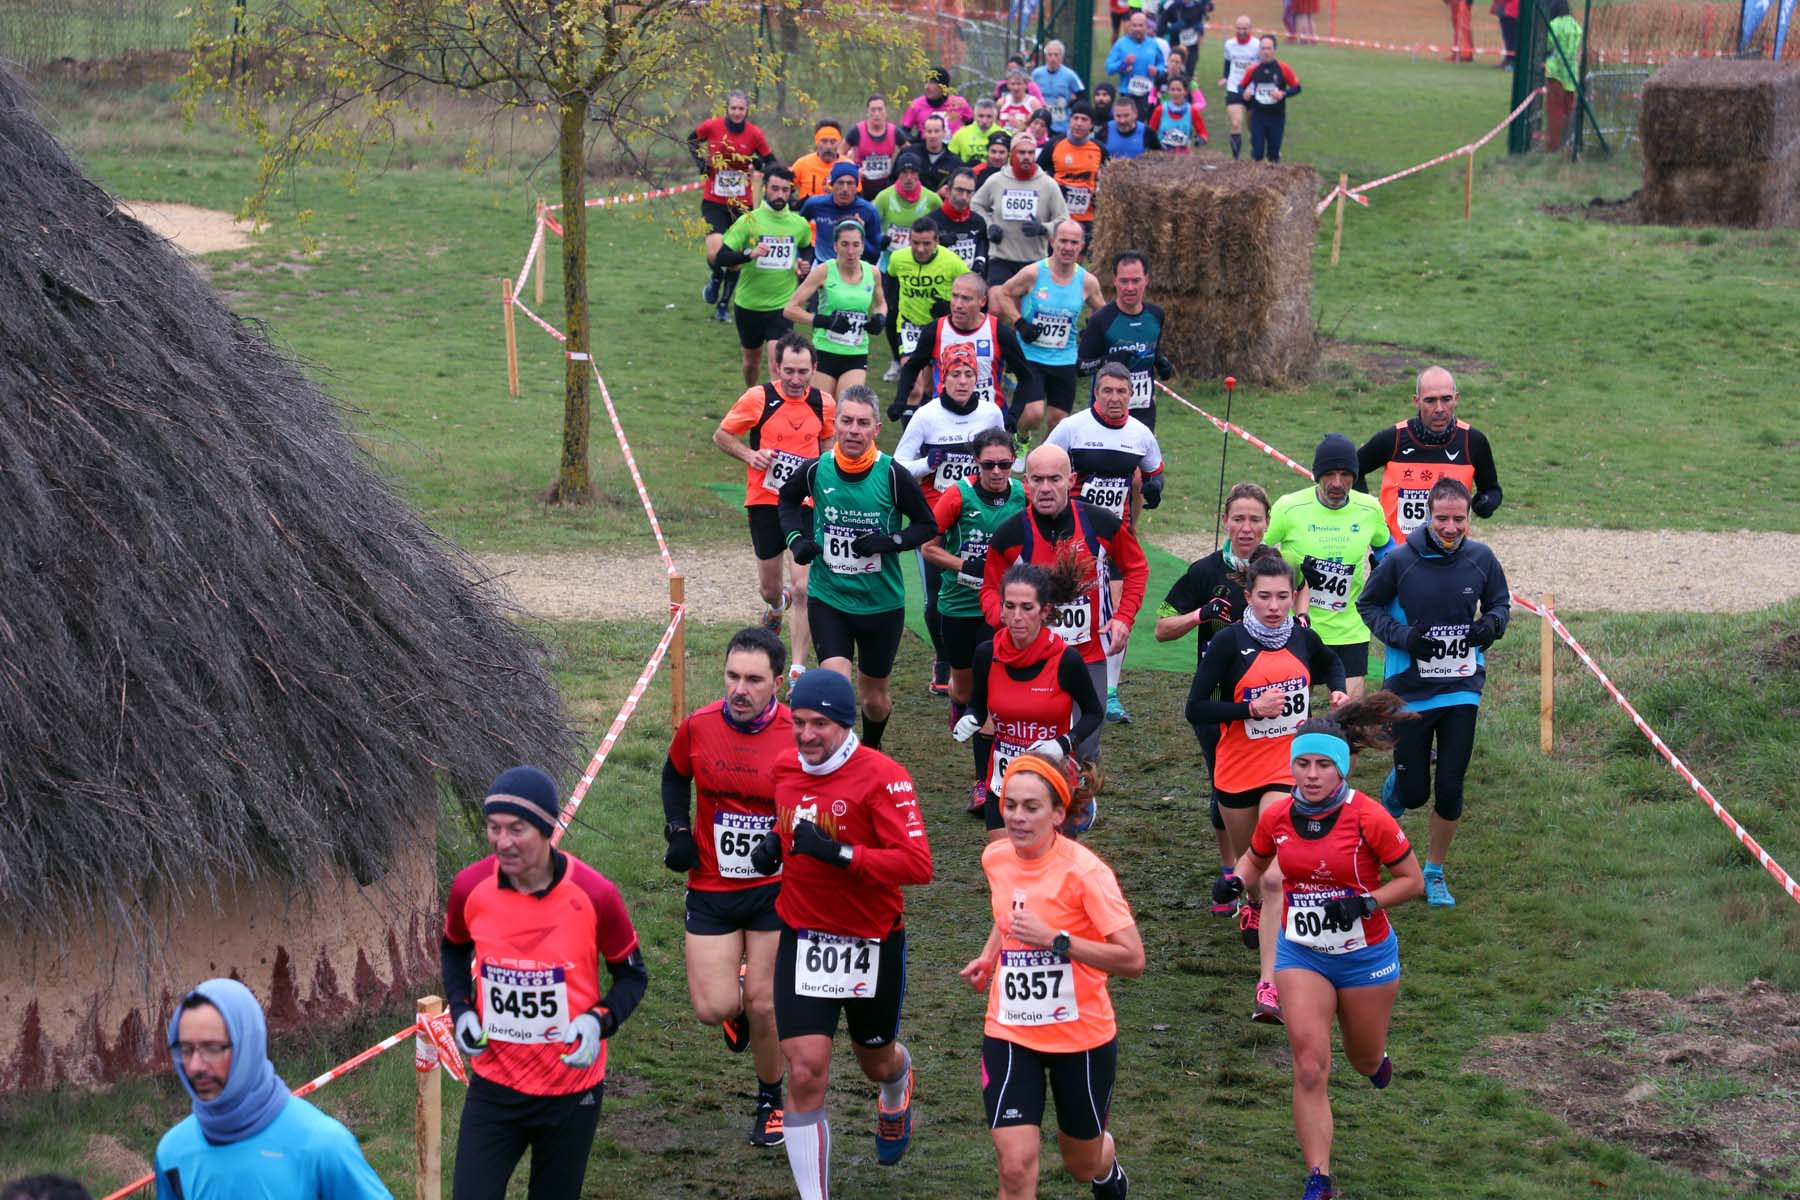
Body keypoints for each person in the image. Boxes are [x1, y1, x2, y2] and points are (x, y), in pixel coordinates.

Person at [1211, 702, 1424, 1200]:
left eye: (1323, 765)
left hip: (1365, 956)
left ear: (1341, 768)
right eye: (1303, 764)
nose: (1311, 775)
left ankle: (1376, 1062)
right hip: (1301, 951)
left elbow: (1411, 881)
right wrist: (1233, 881)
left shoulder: (1368, 816)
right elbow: (1256, 857)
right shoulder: (1280, 813)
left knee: (1363, 1058)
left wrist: (1363, 904)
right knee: (1308, 1064)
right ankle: (1320, 1178)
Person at [750, 668, 934, 1195]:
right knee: (805, 1071)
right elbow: (789, 819)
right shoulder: (786, 767)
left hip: (871, 939)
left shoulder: (882, 776)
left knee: (875, 1060)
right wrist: (773, 843)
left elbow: (918, 865)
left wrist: (840, 854)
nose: (807, 735)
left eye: (820, 725)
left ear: (845, 725)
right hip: (805, 934)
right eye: (799, 723)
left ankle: (897, 1086)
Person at [445, 767, 648, 1200]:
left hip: (571, 1090)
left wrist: (598, 1021)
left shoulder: (595, 894)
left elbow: (632, 975)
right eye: (494, 828)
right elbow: (453, 949)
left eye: (517, 829)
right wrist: (461, 1009)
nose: (503, 842)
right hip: (495, 1085)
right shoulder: (470, 887)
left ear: (547, 829)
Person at [960, 752, 1144, 1200]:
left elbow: (1133, 958)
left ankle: (1105, 1164)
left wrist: (1058, 941)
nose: (1017, 818)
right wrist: (989, 955)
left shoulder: (1086, 874)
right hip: (1010, 1029)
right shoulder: (996, 858)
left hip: (1080, 1037)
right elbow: (1010, 915)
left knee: (1081, 1164)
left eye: (1031, 807)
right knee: (1015, 1166)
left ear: (1059, 813)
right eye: (1010, 805)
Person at [1183, 547, 1348, 1024]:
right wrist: (1250, 710)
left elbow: (1331, 661)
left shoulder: (1301, 637)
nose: (1275, 606)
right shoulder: (1229, 644)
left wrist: (1336, 688)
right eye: (1264, 597)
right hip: (1235, 772)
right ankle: (1251, 903)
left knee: (1276, 875)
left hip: (1284, 769)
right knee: (1251, 869)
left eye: (1282, 596)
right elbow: (1196, 708)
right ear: (1248, 596)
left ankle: (1269, 987)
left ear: (1292, 595)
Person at [663, 628, 795, 1147]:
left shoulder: (797, 734)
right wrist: (677, 830)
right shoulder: (698, 726)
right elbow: (674, 778)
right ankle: (735, 1005)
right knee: (712, 1008)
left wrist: (782, 841)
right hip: (713, 884)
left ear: (777, 683)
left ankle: (771, 1100)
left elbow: (820, 800)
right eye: (732, 676)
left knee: (766, 1005)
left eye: (754, 680)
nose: (740, 689)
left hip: (776, 890)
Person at [1357, 477, 1510, 909]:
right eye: (1442, 518)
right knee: (1415, 793)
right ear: (1428, 515)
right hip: (1411, 692)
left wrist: (1490, 627)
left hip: (1461, 688)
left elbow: (1500, 604)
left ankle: (1434, 871)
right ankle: (1397, 791)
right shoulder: (1402, 560)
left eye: (1458, 519)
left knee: (1450, 785)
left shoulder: (1482, 558)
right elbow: (1367, 605)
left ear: (1468, 518)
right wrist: (1404, 637)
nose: (1450, 527)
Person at [778, 387, 938, 750]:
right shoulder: (817, 469)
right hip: (829, 598)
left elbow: (927, 526)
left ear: (876, 429)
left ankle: (871, 746)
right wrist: (797, 540)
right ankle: (844, 759)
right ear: (835, 425)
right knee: (837, 683)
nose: (853, 430)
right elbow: (786, 500)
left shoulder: (893, 475)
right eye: (847, 421)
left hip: (881, 605)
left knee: (873, 699)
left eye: (862, 423)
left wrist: (889, 542)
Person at [981, 443, 1148, 767]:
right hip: (1030, 656)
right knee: (1032, 742)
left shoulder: (1101, 524)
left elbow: (1137, 568)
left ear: (1071, 480)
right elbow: (990, 587)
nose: (1045, 488)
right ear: (1026, 483)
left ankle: (1082, 803)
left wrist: (1123, 617)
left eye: (1054, 479)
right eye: (1037, 480)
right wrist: (1001, 616)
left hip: (1088, 654)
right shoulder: (1010, 533)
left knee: (1084, 746)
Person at [154, 978, 389, 1200]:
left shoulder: (322, 1145)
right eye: (185, 1050)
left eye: (212, 1048)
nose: (195, 1066)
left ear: (248, 1046)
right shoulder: (172, 1154)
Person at [1156, 482, 1271, 911]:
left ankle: (1263, 873)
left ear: (1267, 523)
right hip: (1217, 705)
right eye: (1238, 519)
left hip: (1270, 704)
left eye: (1254, 519)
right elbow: (1162, 628)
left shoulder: (1277, 567)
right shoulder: (1205, 571)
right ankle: (1232, 873)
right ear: (1225, 522)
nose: (1246, 528)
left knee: (1269, 792)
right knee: (1226, 790)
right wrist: (1200, 614)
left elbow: (1301, 591)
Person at [1046, 364, 1163, 724]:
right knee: (1067, 607)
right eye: (1107, 391)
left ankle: (1110, 691)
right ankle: (1053, 674)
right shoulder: (1072, 428)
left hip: (1115, 537)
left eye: (1121, 392)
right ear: (1095, 393)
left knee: (1114, 614)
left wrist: (1155, 489)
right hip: (1073, 535)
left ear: (1132, 395)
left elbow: (1155, 471)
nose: (1114, 398)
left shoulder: (1141, 434)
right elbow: (1043, 466)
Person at [714, 333, 836, 675]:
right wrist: (750, 455)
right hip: (765, 500)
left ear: (814, 368)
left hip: (807, 504)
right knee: (770, 588)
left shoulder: (824, 403)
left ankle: (796, 667)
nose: (795, 380)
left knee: (803, 587)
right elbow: (722, 435)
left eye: (802, 372)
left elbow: (827, 446)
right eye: (788, 372)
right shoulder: (758, 398)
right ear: (776, 367)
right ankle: (774, 606)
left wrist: (828, 480)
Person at [956, 562, 1105, 834]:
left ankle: (1079, 797)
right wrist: (970, 717)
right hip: (1003, 782)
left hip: (1049, 782)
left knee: (1044, 870)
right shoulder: (986, 654)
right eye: (1009, 606)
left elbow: (1094, 712)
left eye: (1027, 608)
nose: (1016, 616)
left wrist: (1063, 743)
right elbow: (978, 707)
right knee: (1005, 868)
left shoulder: (1065, 661)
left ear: (1044, 611)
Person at [894, 345, 1008, 697]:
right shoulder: (927, 416)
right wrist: (928, 463)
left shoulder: (990, 413)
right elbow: (898, 465)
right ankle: (943, 656)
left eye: (968, 375)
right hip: (933, 516)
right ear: (942, 375)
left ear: (979, 378)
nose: (961, 381)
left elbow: (1000, 455)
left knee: (982, 586)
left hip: (976, 512)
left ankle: (982, 658)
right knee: (934, 598)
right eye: (955, 374)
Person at [924, 427, 1028, 811]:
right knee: (965, 689)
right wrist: (965, 564)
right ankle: (959, 701)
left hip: (1003, 611)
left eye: (1004, 464)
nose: (997, 472)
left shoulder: (1023, 495)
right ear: (975, 463)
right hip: (958, 606)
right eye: (989, 465)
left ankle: (983, 783)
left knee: (990, 697)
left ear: (1013, 462)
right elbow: (928, 548)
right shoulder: (957, 496)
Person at [1264, 435, 1393, 701]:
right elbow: (1255, 551)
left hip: (1350, 628)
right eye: (1329, 474)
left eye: (1345, 474)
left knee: (1349, 718)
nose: (1337, 483)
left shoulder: (1369, 509)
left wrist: (1385, 566)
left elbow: (1386, 549)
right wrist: (1286, 572)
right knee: (1295, 718)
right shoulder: (1289, 508)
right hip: (1296, 626)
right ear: (1316, 475)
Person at [1354, 364, 1502, 545]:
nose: (1439, 408)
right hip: (1397, 557)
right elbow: (1352, 468)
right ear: (1417, 401)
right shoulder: (1394, 439)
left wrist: (1485, 503)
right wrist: (1368, 510)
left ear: (1456, 399)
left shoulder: (1473, 441)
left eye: (1446, 399)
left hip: (1452, 554)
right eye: (1430, 400)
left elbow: (1492, 490)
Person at [994, 220, 1106, 440]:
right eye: (1063, 241)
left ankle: (1044, 461)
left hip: (1064, 359)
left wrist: (1091, 332)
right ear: (1052, 241)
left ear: (1082, 246)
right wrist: (1019, 323)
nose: (1068, 247)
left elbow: (1103, 313)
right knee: (1034, 413)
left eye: (1074, 242)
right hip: (1031, 355)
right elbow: (1003, 294)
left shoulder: (1087, 282)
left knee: (1059, 421)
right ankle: (1021, 438)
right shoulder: (1034, 273)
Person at [714, 166, 813, 387]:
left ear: (790, 192)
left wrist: (803, 262)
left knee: (776, 365)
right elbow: (721, 257)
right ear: (765, 188)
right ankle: (752, 395)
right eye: (775, 189)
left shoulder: (799, 224)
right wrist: (750, 254)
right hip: (749, 304)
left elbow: (807, 247)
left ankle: (773, 413)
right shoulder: (749, 221)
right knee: (751, 361)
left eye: (785, 190)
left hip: (782, 305)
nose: (780, 195)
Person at [894, 271, 1030, 418]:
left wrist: (1013, 416)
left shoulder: (998, 332)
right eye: (955, 296)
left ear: (982, 301)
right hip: (944, 420)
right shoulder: (935, 331)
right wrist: (900, 401)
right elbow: (912, 367)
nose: (958, 305)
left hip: (987, 421)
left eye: (966, 299)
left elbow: (1026, 376)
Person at [691, 90, 778, 321]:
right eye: (733, 108)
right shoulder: (712, 127)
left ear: (746, 110)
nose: (737, 112)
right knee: (715, 252)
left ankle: (723, 305)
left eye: (741, 108)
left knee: (737, 256)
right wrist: (701, 163)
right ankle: (716, 277)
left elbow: (771, 162)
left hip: (742, 205)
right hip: (714, 201)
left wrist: (759, 164)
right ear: (727, 109)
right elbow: (691, 140)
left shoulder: (755, 134)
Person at [785, 221, 887, 395]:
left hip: (857, 351)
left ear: (863, 246)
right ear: (835, 246)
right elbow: (790, 309)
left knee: (846, 408)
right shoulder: (824, 271)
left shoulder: (873, 273)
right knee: (824, 411)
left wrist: (879, 318)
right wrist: (823, 321)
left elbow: (880, 304)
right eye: (844, 244)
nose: (850, 251)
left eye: (856, 245)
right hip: (825, 351)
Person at [1076, 249, 1173, 428]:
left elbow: (1152, 348)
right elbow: (1080, 367)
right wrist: (1108, 361)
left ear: (1146, 280)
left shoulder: (1156, 315)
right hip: (1106, 414)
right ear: (1114, 281)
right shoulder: (1102, 320)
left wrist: (1161, 362)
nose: (1129, 288)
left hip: (1143, 412)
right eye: (1123, 281)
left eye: (1136, 281)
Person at [873, 157, 948, 380]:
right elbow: (871, 226)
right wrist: (880, 239)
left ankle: (928, 359)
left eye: (913, 173)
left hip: (923, 267)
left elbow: (942, 225)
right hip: (892, 267)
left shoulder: (932, 199)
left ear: (919, 175)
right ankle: (897, 360)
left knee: (925, 313)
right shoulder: (885, 198)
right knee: (893, 313)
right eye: (904, 173)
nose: (908, 178)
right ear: (897, 175)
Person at [971, 131, 1070, 287]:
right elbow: (975, 205)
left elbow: (1064, 220)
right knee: (997, 306)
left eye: (1031, 153)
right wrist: (989, 225)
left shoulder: (1048, 184)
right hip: (1001, 258)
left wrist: (1044, 229)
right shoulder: (997, 180)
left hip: (1034, 260)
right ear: (1012, 154)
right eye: (1021, 152)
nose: (1026, 157)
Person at [883, 216, 968, 389]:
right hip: (909, 325)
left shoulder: (952, 262)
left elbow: (972, 291)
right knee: (913, 386)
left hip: (940, 327)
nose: (920, 249)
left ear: (937, 240)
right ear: (909, 240)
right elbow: (890, 277)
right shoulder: (898, 258)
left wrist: (949, 307)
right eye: (915, 243)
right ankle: (909, 413)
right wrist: (891, 301)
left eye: (927, 244)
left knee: (931, 387)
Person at [798, 161, 884, 271]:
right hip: (822, 267)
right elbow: (797, 232)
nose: (845, 189)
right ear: (832, 185)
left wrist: (861, 234)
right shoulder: (814, 205)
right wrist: (803, 257)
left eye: (850, 183)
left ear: (856, 186)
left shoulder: (868, 211)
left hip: (854, 270)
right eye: (840, 183)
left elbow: (875, 254)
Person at [1041, 102, 1107, 234]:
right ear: (1069, 121)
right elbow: (1038, 174)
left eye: (1084, 119)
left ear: (1091, 124)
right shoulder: (1053, 144)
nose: (1079, 123)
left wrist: (1099, 194)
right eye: (1075, 118)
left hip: (1088, 218)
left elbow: (1107, 179)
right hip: (1057, 216)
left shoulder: (1100, 149)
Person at [1238, 35, 1301, 163]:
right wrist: (1245, 93)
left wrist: (1283, 93)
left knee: (1273, 155)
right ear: (1259, 51)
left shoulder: (1283, 68)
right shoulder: (1253, 69)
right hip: (1258, 116)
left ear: (1274, 50)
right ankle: (1256, 178)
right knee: (1258, 153)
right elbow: (1240, 87)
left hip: (1277, 117)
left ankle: (1273, 179)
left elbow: (1297, 88)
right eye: (1263, 49)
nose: (1266, 52)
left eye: (1269, 48)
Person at [929, 167, 992, 277]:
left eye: (969, 192)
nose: (964, 197)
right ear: (948, 191)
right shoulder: (930, 222)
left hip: (968, 284)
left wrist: (980, 263)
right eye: (960, 190)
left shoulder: (978, 222)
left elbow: (982, 249)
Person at [1542, 0, 1583, 150]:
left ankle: (1553, 146)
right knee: (1568, 110)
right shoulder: (1576, 27)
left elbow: (1546, 45)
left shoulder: (1554, 25)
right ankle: (1566, 143)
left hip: (1556, 73)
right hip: (1571, 74)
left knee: (1554, 111)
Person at [1106, 11, 1168, 108]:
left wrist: (1157, 71)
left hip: (1147, 93)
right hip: (1127, 92)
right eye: (1134, 25)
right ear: (1129, 27)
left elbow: (1161, 65)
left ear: (1146, 27)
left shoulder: (1153, 44)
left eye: (1140, 25)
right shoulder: (1120, 44)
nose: (1137, 29)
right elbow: (1109, 68)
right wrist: (1123, 64)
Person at [846, 95, 902, 201]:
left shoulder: (894, 131)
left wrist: (898, 170)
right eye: (873, 110)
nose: (876, 114)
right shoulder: (856, 131)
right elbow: (839, 154)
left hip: (886, 186)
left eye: (880, 109)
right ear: (867, 112)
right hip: (861, 186)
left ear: (886, 112)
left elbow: (909, 153)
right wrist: (852, 170)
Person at [1218, 15, 1259, 159]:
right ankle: (1237, 159)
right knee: (1236, 123)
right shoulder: (1229, 44)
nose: (1241, 31)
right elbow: (1228, 63)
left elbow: (1261, 68)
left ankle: (1256, 153)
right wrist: (1225, 77)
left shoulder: (1257, 45)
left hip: (1252, 89)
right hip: (1234, 87)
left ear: (1251, 29)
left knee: (1253, 127)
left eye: (1245, 29)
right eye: (1239, 28)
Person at [902, 66, 975, 138]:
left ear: (943, 86)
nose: (927, 87)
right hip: (926, 147)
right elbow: (904, 131)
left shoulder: (959, 103)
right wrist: (914, 143)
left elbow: (973, 127)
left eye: (932, 82)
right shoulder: (916, 105)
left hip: (953, 148)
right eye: (926, 82)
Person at [1033, 39, 1089, 134]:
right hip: (1041, 124)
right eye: (1050, 54)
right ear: (1045, 56)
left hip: (1061, 125)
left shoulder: (1070, 75)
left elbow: (1083, 96)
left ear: (1061, 57)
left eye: (1056, 55)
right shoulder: (1036, 74)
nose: (1052, 58)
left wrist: (1070, 103)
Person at [792, 120, 849, 201]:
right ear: (817, 142)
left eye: (833, 142)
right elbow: (785, 188)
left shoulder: (848, 166)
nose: (828, 146)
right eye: (824, 141)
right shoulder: (802, 164)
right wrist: (797, 205)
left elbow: (858, 196)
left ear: (839, 142)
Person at [1149, 77, 1207, 152]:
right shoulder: (1160, 110)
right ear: (1168, 91)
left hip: (1183, 158)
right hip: (1162, 156)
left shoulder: (1192, 111)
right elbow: (1150, 133)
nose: (1175, 93)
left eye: (1179, 90)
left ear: (1185, 92)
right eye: (1172, 90)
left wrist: (1201, 140)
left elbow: (1203, 132)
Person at [912, 114, 962, 194]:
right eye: (929, 131)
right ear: (924, 133)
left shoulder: (955, 162)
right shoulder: (911, 153)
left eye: (937, 131)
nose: (933, 135)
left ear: (944, 133)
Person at [1101, 95, 1162, 159]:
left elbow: (1159, 158)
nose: (1122, 121)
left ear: (1135, 114)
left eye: (1126, 116)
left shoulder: (1148, 133)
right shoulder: (1105, 130)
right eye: (1118, 116)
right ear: (1113, 115)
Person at [951, 96, 1006, 162]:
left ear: (995, 117)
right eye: (981, 116)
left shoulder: (1005, 136)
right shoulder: (960, 135)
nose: (984, 120)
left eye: (989, 116)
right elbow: (950, 160)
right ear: (974, 116)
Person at [998, 69, 1041, 133]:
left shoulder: (1033, 103)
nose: (1016, 88)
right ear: (1008, 85)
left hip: (1025, 140)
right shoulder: (1002, 102)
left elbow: (1040, 127)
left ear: (1026, 85)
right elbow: (995, 122)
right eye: (1012, 84)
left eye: (1019, 84)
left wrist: (1023, 126)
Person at [1494, 0, 1520, 68]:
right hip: (1507, 10)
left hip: (1511, 11)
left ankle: (1511, 61)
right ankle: (1508, 59)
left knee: (1511, 38)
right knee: (1508, 38)